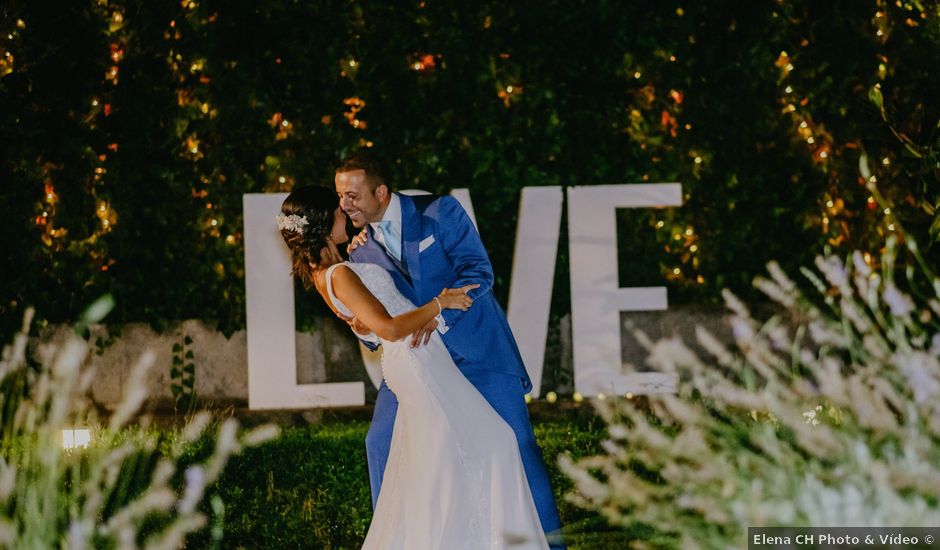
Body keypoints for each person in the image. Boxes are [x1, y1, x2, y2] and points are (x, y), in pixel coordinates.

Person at [277, 185, 549, 549]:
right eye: (339, 209)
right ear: (326, 222)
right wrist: (440, 303)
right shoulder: (340, 273)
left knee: (447, 455)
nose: (345, 211)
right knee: (486, 446)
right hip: (418, 365)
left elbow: (372, 319)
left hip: (423, 360)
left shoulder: (327, 271)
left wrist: (366, 321)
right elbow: (388, 327)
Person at [335, 152, 564, 548]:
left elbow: (478, 272)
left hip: (474, 350)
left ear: (381, 191)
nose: (344, 205)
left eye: (353, 195)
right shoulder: (358, 253)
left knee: (517, 444)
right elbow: (375, 330)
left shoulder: (441, 212)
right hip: (416, 365)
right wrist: (364, 330)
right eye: (340, 196)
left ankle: (553, 545)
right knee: (380, 443)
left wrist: (436, 320)